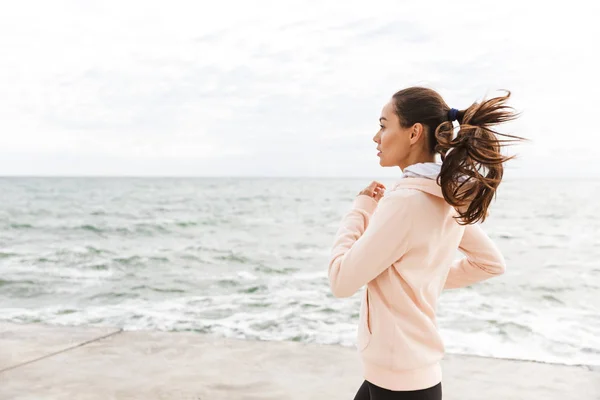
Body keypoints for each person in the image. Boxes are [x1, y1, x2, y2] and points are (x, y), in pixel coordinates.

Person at [327, 87, 525, 400]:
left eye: (383, 125)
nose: (375, 138)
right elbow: (489, 263)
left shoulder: (405, 201)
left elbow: (340, 281)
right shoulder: (444, 196)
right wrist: (418, 278)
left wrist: (360, 210)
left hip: (397, 379)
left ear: (414, 132)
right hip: (406, 373)